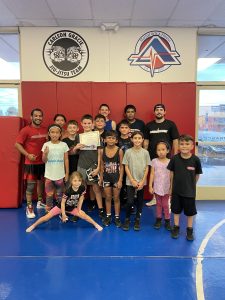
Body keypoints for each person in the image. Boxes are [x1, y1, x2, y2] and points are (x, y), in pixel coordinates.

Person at [26, 171, 103, 232]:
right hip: (61, 207)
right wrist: (63, 214)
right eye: (75, 181)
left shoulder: (82, 188)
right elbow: (62, 203)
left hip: (72, 208)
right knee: (46, 217)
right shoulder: (68, 191)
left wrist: (79, 209)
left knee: (85, 216)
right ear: (71, 181)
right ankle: (33, 225)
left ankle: (96, 224)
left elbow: (81, 198)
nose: (77, 183)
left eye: (79, 180)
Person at [167, 134, 202, 241]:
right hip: (176, 191)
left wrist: (191, 186)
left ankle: (189, 229)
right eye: (182, 144)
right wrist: (171, 188)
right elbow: (171, 174)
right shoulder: (174, 159)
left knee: (190, 212)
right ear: (178, 146)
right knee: (176, 210)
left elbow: (197, 175)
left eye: (187, 144)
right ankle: (176, 227)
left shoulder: (196, 160)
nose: (184, 146)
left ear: (192, 146)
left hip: (189, 192)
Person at [144, 103, 179, 207]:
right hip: (153, 157)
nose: (159, 111)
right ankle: (155, 198)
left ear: (164, 112)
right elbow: (146, 141)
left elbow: (175, 140)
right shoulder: (149, 125)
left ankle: (167, 199)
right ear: (154, 112)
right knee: (155, 177)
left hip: (166, 158)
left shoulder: (171, 124)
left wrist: (175, 155)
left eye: (161, 110)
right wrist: (145, 154)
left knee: (167, 177)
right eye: (157, 110)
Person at [15, 108, 47, 218]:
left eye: (40, 116)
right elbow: (17, 144)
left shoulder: (45, 130)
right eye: (36, 116)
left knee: (41, 182)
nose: (38, 118)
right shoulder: (25, 130)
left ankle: (39, 202)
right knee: (30, 186)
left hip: (42, 162)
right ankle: (29, 207)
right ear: (31, 117)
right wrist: (28, 155)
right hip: (30, 163)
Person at [76, 114, 104, 218]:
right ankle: (77, 210)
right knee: (81, 189)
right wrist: (76, 148)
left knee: (96, 189)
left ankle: (101, 210)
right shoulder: (79, 137)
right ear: (81, 124)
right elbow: (74, 151)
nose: (87, 125)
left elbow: (100, 153)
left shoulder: (97, 136)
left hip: (93, 166)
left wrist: (98, 168)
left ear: (92, 124)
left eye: (89, 123)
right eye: (85, 123)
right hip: (82, 165)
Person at [122, 132, 151, 231]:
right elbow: (126, 166)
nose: (137, 140)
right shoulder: (128, 152)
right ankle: (127, 218)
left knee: (139, 201)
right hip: (130, 181)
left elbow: (147, 167)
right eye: (135, 138)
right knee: (130, 201)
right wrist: (132, 180)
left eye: (139, 138)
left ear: (143, 139)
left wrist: (143, 181)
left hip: (142, 182)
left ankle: (137, 218)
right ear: (132, 139)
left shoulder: (145, 153)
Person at [42, 124, 69, 212]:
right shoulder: (46, 144)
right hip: (49, 175)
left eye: (57, 132)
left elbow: (66, 159)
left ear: (60, 134)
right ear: (49, 134)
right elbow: (44, 160)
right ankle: (48, 210)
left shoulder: (64, 145)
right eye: (52, 132)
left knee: (60, 194)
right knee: (49, 194)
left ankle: (61, 210)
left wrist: (67, 173)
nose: (55, 134)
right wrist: (45, 154)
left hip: (60, 175)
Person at [99, 130, 123, 227]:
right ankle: (108, 216)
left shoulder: (120, 151)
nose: (111, 140)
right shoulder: (102, 150)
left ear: (116, 140)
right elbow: (101, 166)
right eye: (109, 137)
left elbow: (122, 166)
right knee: (108, 197)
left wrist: (120, 180)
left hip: (116, 178)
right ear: (105, 139)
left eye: (113, 138)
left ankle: (117, 217)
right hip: (106, 177)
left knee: (116, 198)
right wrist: (101, 178)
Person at [149, 141, 171, 230]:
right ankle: (158, 219)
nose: (161, 152)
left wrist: (172, 187)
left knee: (165, 204)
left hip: (167, 187)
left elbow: (173, 176)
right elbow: (152, 174)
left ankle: (167, 220)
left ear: (167, 151)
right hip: (157, 187)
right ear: (156, 151)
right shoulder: (154, 161)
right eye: (158, 150)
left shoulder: (171, 162)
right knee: (158, 204)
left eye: (163, 149)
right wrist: (150, 185)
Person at [117, 120, 133, 207]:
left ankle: (130, 203)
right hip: (118, 166)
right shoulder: (116, 140)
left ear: (129, 129)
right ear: (119, 129)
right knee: (120, 184)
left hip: (130, 166)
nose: (124, 129)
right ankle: (121, 201)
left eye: (126, 127)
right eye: (122, 127)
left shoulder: (132, 141)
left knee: (129, 184)